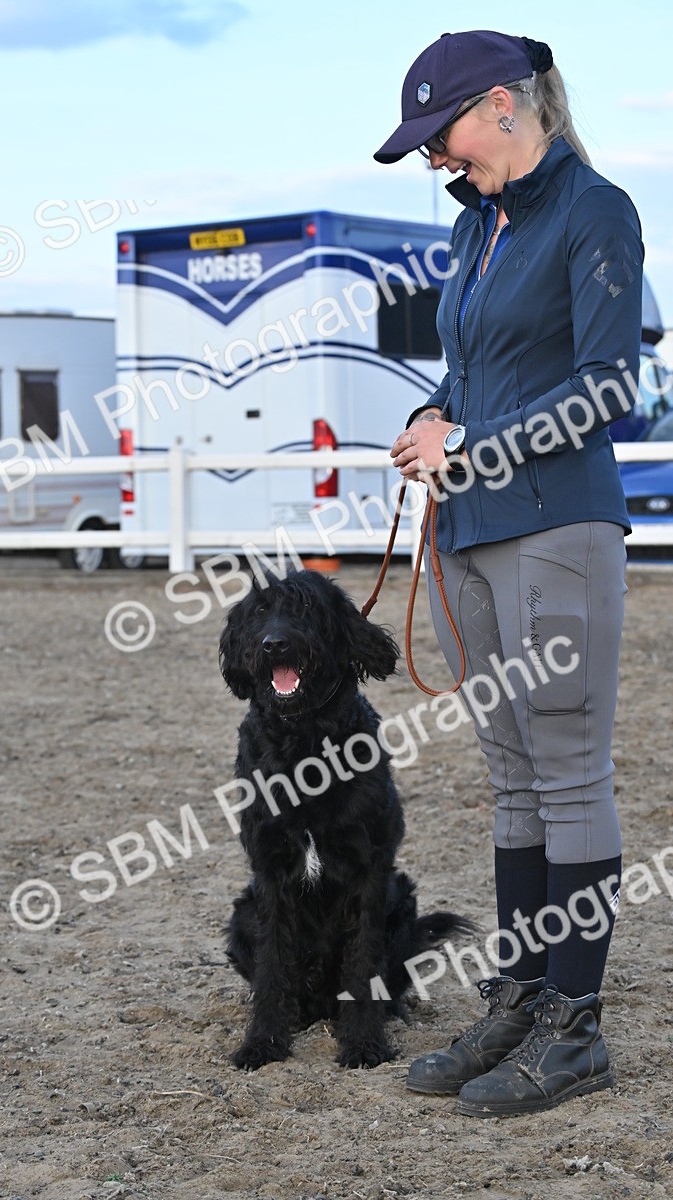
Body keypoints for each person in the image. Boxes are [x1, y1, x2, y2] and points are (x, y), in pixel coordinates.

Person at [374, 30, 643, 1118]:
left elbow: (605, 389)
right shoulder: (475, 228)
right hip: (472, 532)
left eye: (438, 139)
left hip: (556, 528)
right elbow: (467, 368)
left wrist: (472, 448)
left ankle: (572, 1026)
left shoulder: (594, 211)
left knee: (568, 773)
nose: (437, 161)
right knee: (513, 776)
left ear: (498, 107)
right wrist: (431, 412)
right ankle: (523, 995)